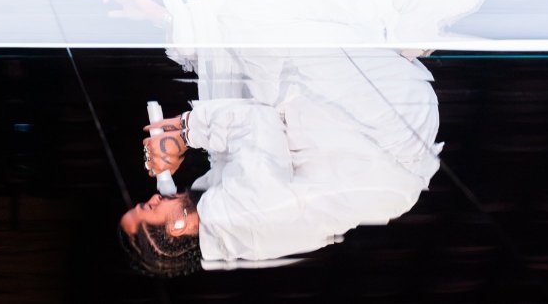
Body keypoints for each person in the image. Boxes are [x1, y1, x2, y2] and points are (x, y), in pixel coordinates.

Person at [119, 47, 444, 275]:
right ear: (176, 229)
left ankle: (390, 38)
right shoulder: (238, 218)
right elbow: (257, 121)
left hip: (377, 129)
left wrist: (184, 135)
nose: (152, 197)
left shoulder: (224, 222)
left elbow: (236, 131)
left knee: (245, 56)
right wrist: (185, 132)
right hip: (389, 125)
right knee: (267, 24)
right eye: (149, 208)